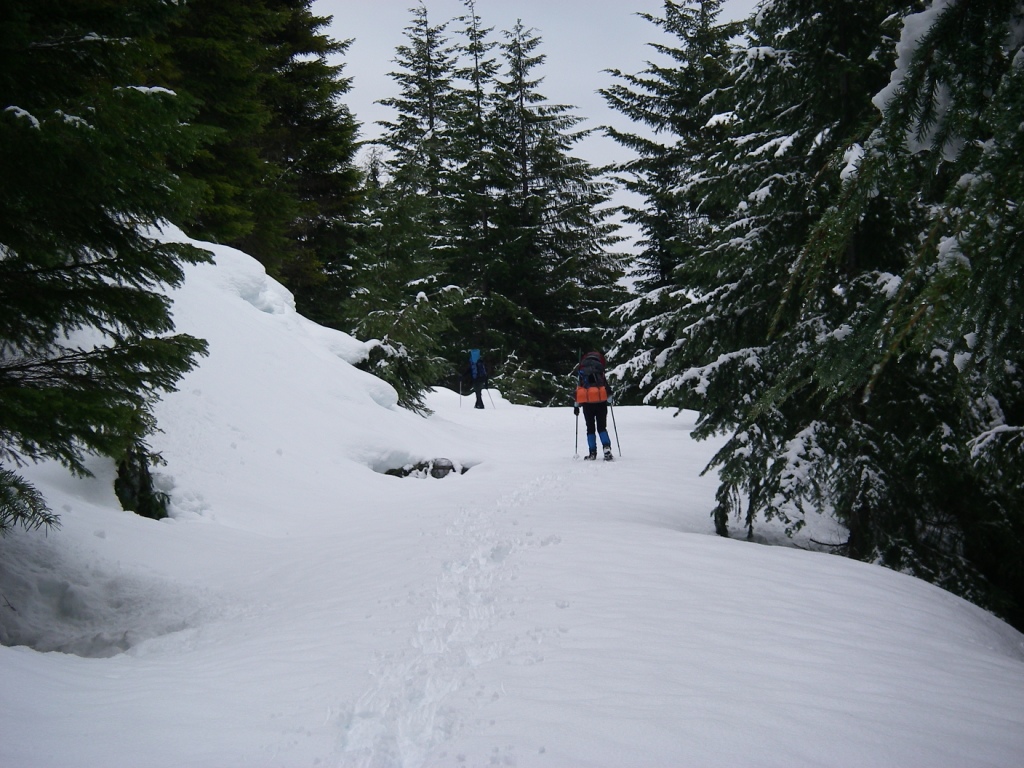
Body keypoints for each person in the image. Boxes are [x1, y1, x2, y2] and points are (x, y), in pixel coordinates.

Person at [574, 350, 613, 460]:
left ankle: (592, 452)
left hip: (587, 404)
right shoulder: (600, 371)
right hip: (601, 402)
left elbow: (579, 389)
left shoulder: (582, 371)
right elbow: (606, 388)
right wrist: (609, 401)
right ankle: (606, 448)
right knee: (602, 427)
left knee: (590, 428)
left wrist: (576, 406)